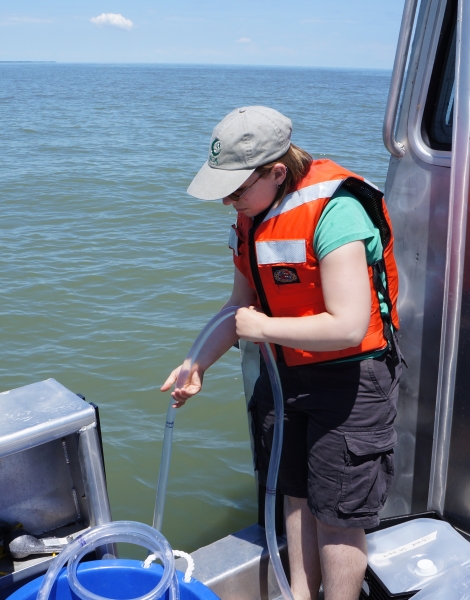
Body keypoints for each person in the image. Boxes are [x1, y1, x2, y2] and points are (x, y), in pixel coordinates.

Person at [161, 106, 401, 600]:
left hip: (351, 381)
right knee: (295, 493)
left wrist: (265, 327)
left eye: (237, 189)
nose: (229, 201)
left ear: (275, 172)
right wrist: (197, 364)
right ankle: (298, 593)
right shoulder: (252, 218)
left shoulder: (337, 211)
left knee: (338, 515)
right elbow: (237, 306)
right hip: (284, 378)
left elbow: (351, 324)